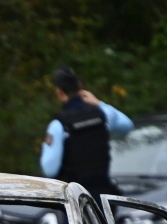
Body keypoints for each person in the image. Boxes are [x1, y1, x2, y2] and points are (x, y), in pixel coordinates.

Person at [40, 66, 134, 196]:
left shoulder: (59, 125)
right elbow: (127, 125)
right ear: (80, 86)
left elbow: (50, 170)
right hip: (103, 198)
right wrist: (99, 103)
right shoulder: (102, 115)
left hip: (75, 202)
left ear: (59, 92)